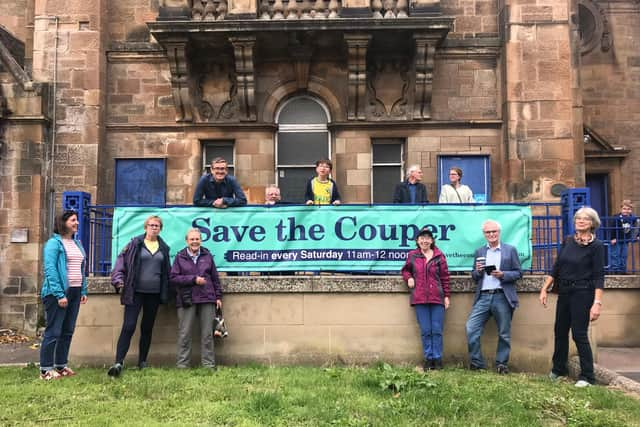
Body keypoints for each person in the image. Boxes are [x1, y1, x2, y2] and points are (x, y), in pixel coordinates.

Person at [539, 207, 605, 387]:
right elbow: (557, 267)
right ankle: (558, 369)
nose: (581, 221)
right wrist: (545, 288)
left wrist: (597, 303)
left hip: (583, 293)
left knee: (579, 334)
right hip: (565, 293)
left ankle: (587, 377)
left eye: (585, 219)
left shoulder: (597, 246)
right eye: (578, 218)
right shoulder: (568, 241)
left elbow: (599, 276)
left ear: (592, 223)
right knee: (560, 331)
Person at [108, 215, 171, 377]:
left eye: (157, 226)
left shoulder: (164, 248)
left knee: (147, 328)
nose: (154, 228)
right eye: (151, 225)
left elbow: (167, 272)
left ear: (160, 229)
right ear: (145, 227)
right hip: (134, 292)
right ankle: (118, 362)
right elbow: (120, 264)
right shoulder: (134, 244)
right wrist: (118, 281)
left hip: (154, 294)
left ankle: (142, 361)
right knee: (129, 326)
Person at [466, 219, 522, 374]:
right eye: (488, 232)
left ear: (499, 232)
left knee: (504, 333)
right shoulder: (480, 252)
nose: (491, 234)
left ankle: (501, 364)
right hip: (483, 297)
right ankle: (477, 363)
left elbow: (519, 273)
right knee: (471, 328)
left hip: (502, 296)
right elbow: (475, 276)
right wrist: (478, 271)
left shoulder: (510, 250)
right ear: (484, 234)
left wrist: (503, 274)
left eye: (494, 231)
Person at [39, 210, 88, 380]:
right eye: (73, 220)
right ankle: (45, 369)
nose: (77, 223)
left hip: (75, 292)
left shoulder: (77, 243)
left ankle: (61, 365)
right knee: (54, 331)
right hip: (56, 294)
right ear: (63, 222)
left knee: (67, 331)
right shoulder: (54, 244)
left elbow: (81, 269)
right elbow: (50, 270)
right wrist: (60, 294)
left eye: (77, 220)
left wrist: (83, 290)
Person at [170, 228, 223, 369]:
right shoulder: (180, 257)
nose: (195, 242)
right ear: (187, 241)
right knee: (185, 334)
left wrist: (218, 296)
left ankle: (209, 365)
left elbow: (215, 278)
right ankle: (182, 365)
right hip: (187, 299)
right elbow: (174, 278)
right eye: (192, 239)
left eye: (197, 239)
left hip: (207, 297)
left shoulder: (207, 255)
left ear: (201, 240)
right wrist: (193, 279)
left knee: (207, 334)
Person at [401, 227, 451, 370]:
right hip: (420, 298)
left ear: (432, 240)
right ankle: (429, 359)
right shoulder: (412, 255)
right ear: (417, 241)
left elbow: (445, 277)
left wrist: (446, 296)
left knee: (437, 330)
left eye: (428, 238)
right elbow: (405, 270)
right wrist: (409, 277)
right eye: (422, 238)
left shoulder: (439, 256)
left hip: (437, 298)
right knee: (426, 330)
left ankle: (438, 359)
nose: (425, 240)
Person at [609, 200, 638, 273]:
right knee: (615, 255)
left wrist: (637, 236)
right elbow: (612, 228)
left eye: (628, 209)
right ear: (621, 209)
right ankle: (615, 270)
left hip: (625, 240)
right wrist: (612, 238)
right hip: (617, 239)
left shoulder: (633, 218)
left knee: (624, 255)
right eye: (624, 209)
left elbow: (636, 228)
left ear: (631, 210)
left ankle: (622, 270)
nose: (626, 211)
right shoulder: (616, 217)